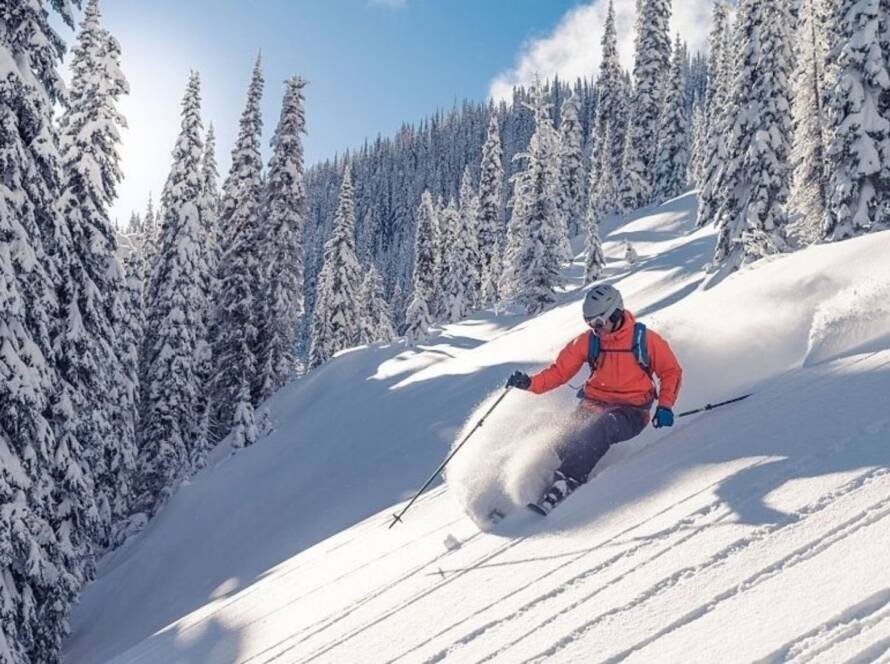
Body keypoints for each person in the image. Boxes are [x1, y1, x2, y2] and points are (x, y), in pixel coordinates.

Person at [505, 284, 683, 514]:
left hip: (632, 411)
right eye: (589, 323)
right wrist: (530, 383)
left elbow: (671, 371)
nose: (595, 329)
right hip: (594, 402)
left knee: (602, 426)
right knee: (563, 434)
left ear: (615, 313)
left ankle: (568, 480)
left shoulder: (644, 339)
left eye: (598, 322)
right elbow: (559, 372)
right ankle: (537, 485)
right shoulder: (590, 341)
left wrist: (665, 405)